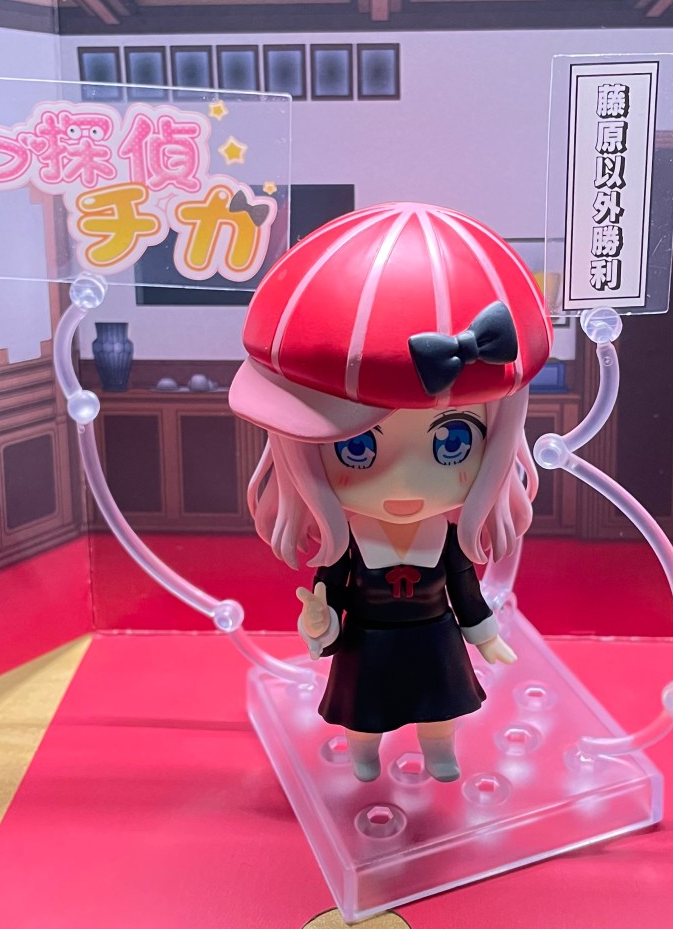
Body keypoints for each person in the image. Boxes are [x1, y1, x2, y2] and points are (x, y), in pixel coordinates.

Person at [229, 202, 553, 782]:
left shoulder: (444, 540)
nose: (402, 484)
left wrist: (484, 636)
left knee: (440, 709)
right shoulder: (347, 545)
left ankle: (439, 751)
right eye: (356, 448)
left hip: (435, 636)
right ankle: (363, 752)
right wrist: (318, 624)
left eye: (453, 441)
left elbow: (465, 592)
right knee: (364, 712)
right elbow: (328, 600)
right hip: (368, 642)